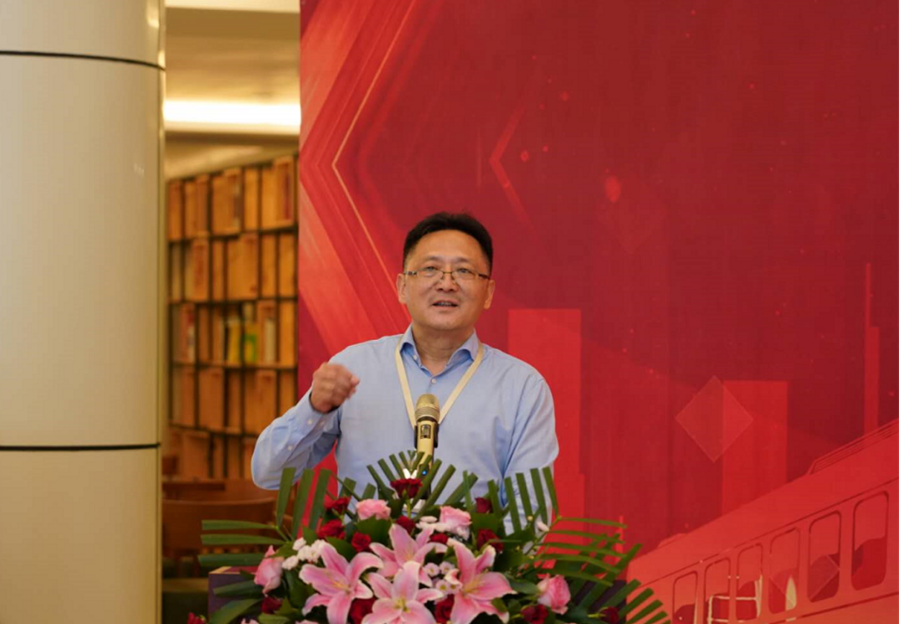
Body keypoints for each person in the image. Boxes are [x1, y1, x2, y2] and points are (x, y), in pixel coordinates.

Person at [251, 212, 558, 507]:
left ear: (488, 292)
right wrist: (314, 409)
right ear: (402, 287)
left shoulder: (522, 388)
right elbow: (269, 474)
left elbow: (528, 514)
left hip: (471, 546)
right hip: (364, 545)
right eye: (430, 269)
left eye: (464, 271)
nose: (447, 283)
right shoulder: (354, 368)